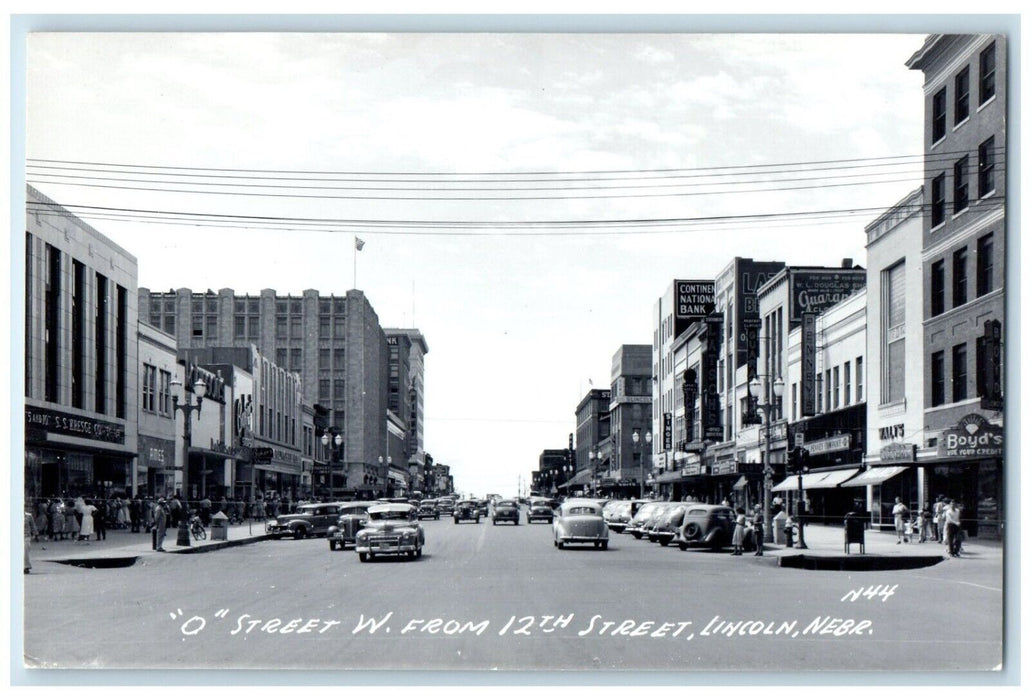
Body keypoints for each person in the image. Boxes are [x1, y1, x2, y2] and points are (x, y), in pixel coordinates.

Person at [25, 506, 38, 574]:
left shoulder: (29, 516)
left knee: (25, 551)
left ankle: (26, 567)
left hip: (26, 536)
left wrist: (35, 535)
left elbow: (33, 526)